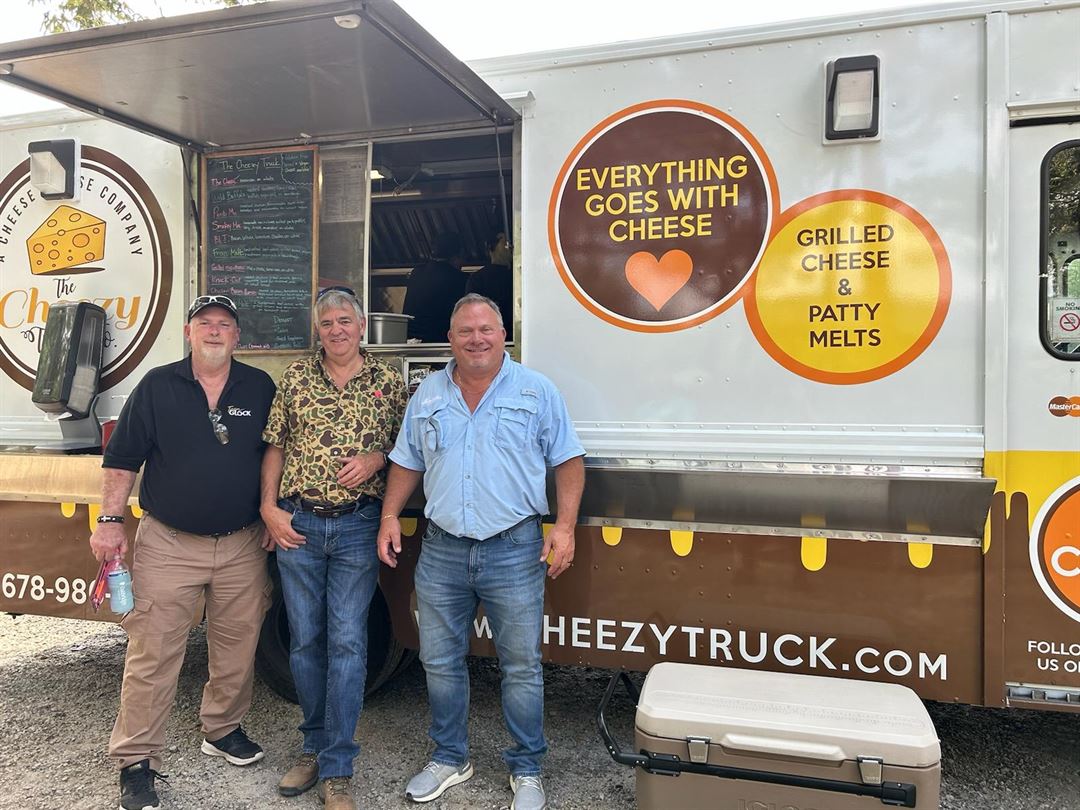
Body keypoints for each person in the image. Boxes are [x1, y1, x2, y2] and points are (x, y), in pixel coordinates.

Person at [378, 293, 585, 810]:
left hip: (514, 548)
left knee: (521, 666)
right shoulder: (428, 394)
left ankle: (527, 769)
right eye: (465, 331)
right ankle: (450, 758)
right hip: (442, 549)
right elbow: (407, 460)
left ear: (503, 335)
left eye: (486, 329)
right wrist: (388, 515)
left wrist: (564, 527)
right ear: (450, 338)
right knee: (439, 660)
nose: (476, 339)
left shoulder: (536, 390)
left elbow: (568, 459)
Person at [89, 294, 276, 810]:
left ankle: (222, 729)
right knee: (153, 652)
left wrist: (271, 509)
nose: (214, 331)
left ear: (237, 337)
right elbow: (122, 458)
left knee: (237, 644)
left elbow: (276, 452)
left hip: (242, 542)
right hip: (168, 543)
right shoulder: (157, 386)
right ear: (189, 333)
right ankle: (136, 761)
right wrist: (110, 522)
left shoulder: (259, 387)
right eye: (204, 323)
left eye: (224, 324)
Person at [261, 287, 408, 810]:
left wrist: (375, 458)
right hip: (298, 526)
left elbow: (409, 449)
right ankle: (313, 747)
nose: (336, 330)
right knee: (305, 643)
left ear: (362, 326)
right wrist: (268, 507)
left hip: (357, 527)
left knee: (348, 643)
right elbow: (275, 445)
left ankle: (338, 767)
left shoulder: (389, 382)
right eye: (327, 323)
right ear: (317, 330)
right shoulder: (297, 378)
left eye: (345, 320)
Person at [402, 231, 467, 342]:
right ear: (457, 256)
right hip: (438, 342)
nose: (462, 264)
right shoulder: (460, 279)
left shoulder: (416, 273)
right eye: (462, 259)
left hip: (410, 341)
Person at [466, 231, 514, 341]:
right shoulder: (478, 279)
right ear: (491, 247)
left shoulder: (521, 277)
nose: (510, 247)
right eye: (505, 243)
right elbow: (472, 313)